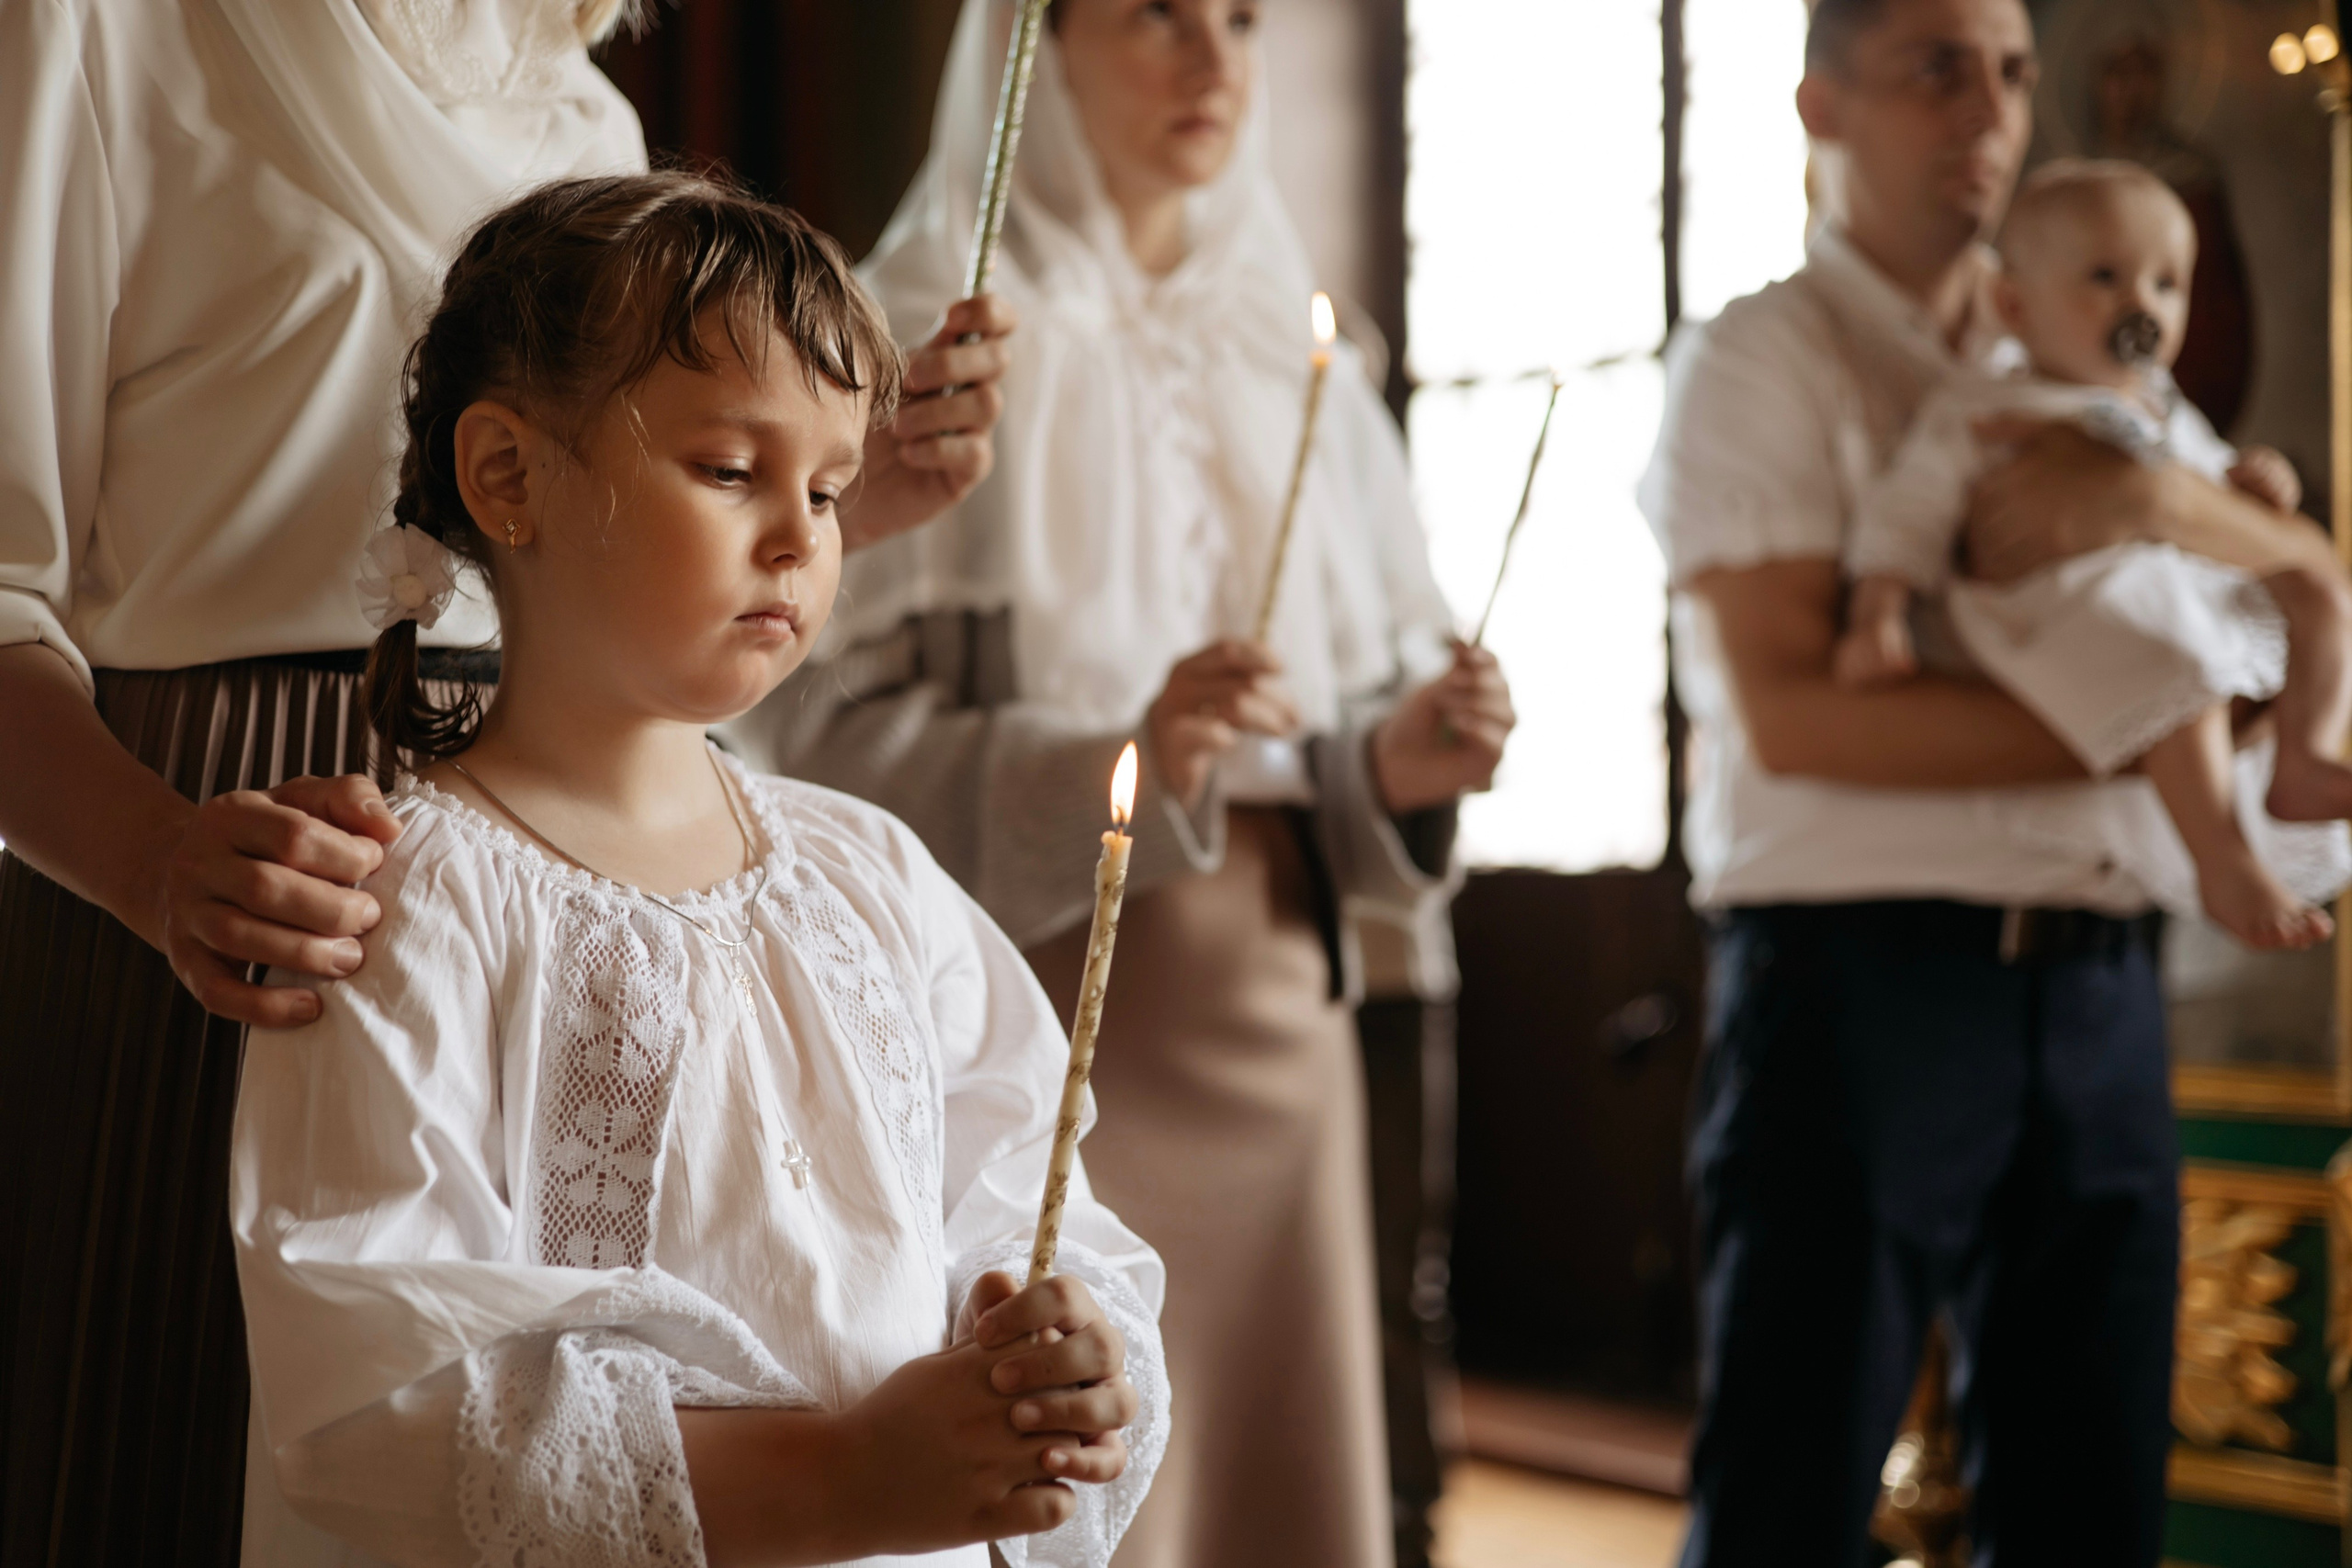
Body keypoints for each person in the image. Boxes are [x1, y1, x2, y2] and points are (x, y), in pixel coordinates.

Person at [0, 4, 1013, 1562]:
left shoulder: (581, 115)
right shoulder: (102, 29)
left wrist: (832, 503)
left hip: (557, 818)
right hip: (215, 872)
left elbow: (558, 546)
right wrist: (155, 862)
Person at [232, 170, 1165, 1568]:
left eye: (833, 487)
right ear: (510, 476)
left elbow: (1029, 1187)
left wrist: (1070, 1342)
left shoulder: (872, 876)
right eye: (732, 470)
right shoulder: (409, 901)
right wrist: (844, 1475)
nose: (800, 535)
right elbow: (384, 1390)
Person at [728, 2, 1516, 1563]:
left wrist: (1398, 766)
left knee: (1274, 1482)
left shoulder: (1304, 359)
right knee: (1061, 1442)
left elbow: (1326, 746)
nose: (1212, 58)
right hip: (1035, 1011)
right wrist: (1115, 766)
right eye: (1157, 11)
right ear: (1041, 41)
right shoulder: (922, 348)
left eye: (1239, 16)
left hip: (1283, 1007)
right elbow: (795, 742)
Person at [1636, 0, 2342, 1560]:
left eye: (2016, 71)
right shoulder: (1762, 357)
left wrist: (2157, 497)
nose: (1991, 112)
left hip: (2100, 982)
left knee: (2093, 1503)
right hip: (1863, 983)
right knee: (1788, 1498)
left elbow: (2297, 563)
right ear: (1821, 104)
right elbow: (1807, 720)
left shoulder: (2111, 364)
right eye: (1935, 68)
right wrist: (2193, 722)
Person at [1835, 158, 2352, 950]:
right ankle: (2222, 858)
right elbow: (1908, 511)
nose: (2140, 305)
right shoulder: (1987, 402)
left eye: (2166, 283)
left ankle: (2308, 757)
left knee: (2318, 595)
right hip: (2059, 603)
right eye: (2106, 277)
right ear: (2014, 304)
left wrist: (2253, 483)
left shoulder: (2161, 403)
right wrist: (1878, 612)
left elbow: (2209, 491)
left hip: (2169, 579)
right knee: (2176, 662)